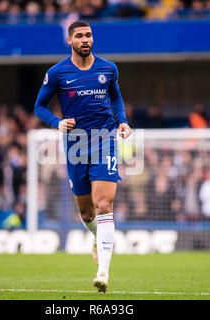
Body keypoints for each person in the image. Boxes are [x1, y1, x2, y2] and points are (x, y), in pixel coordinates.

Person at [34, 20, 131, 293]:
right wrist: (56, 123)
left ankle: (103, 272)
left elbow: (116, 99)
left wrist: (121, 121)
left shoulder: (108, 68)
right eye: (79, 36)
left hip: (105, 140)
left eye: (88, 35)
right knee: (87, 212)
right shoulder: (57, 73)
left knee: (103, 206)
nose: (85, 39)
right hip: (75, 145)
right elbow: (39, 107)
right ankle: (97, 239)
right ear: (70, 41)